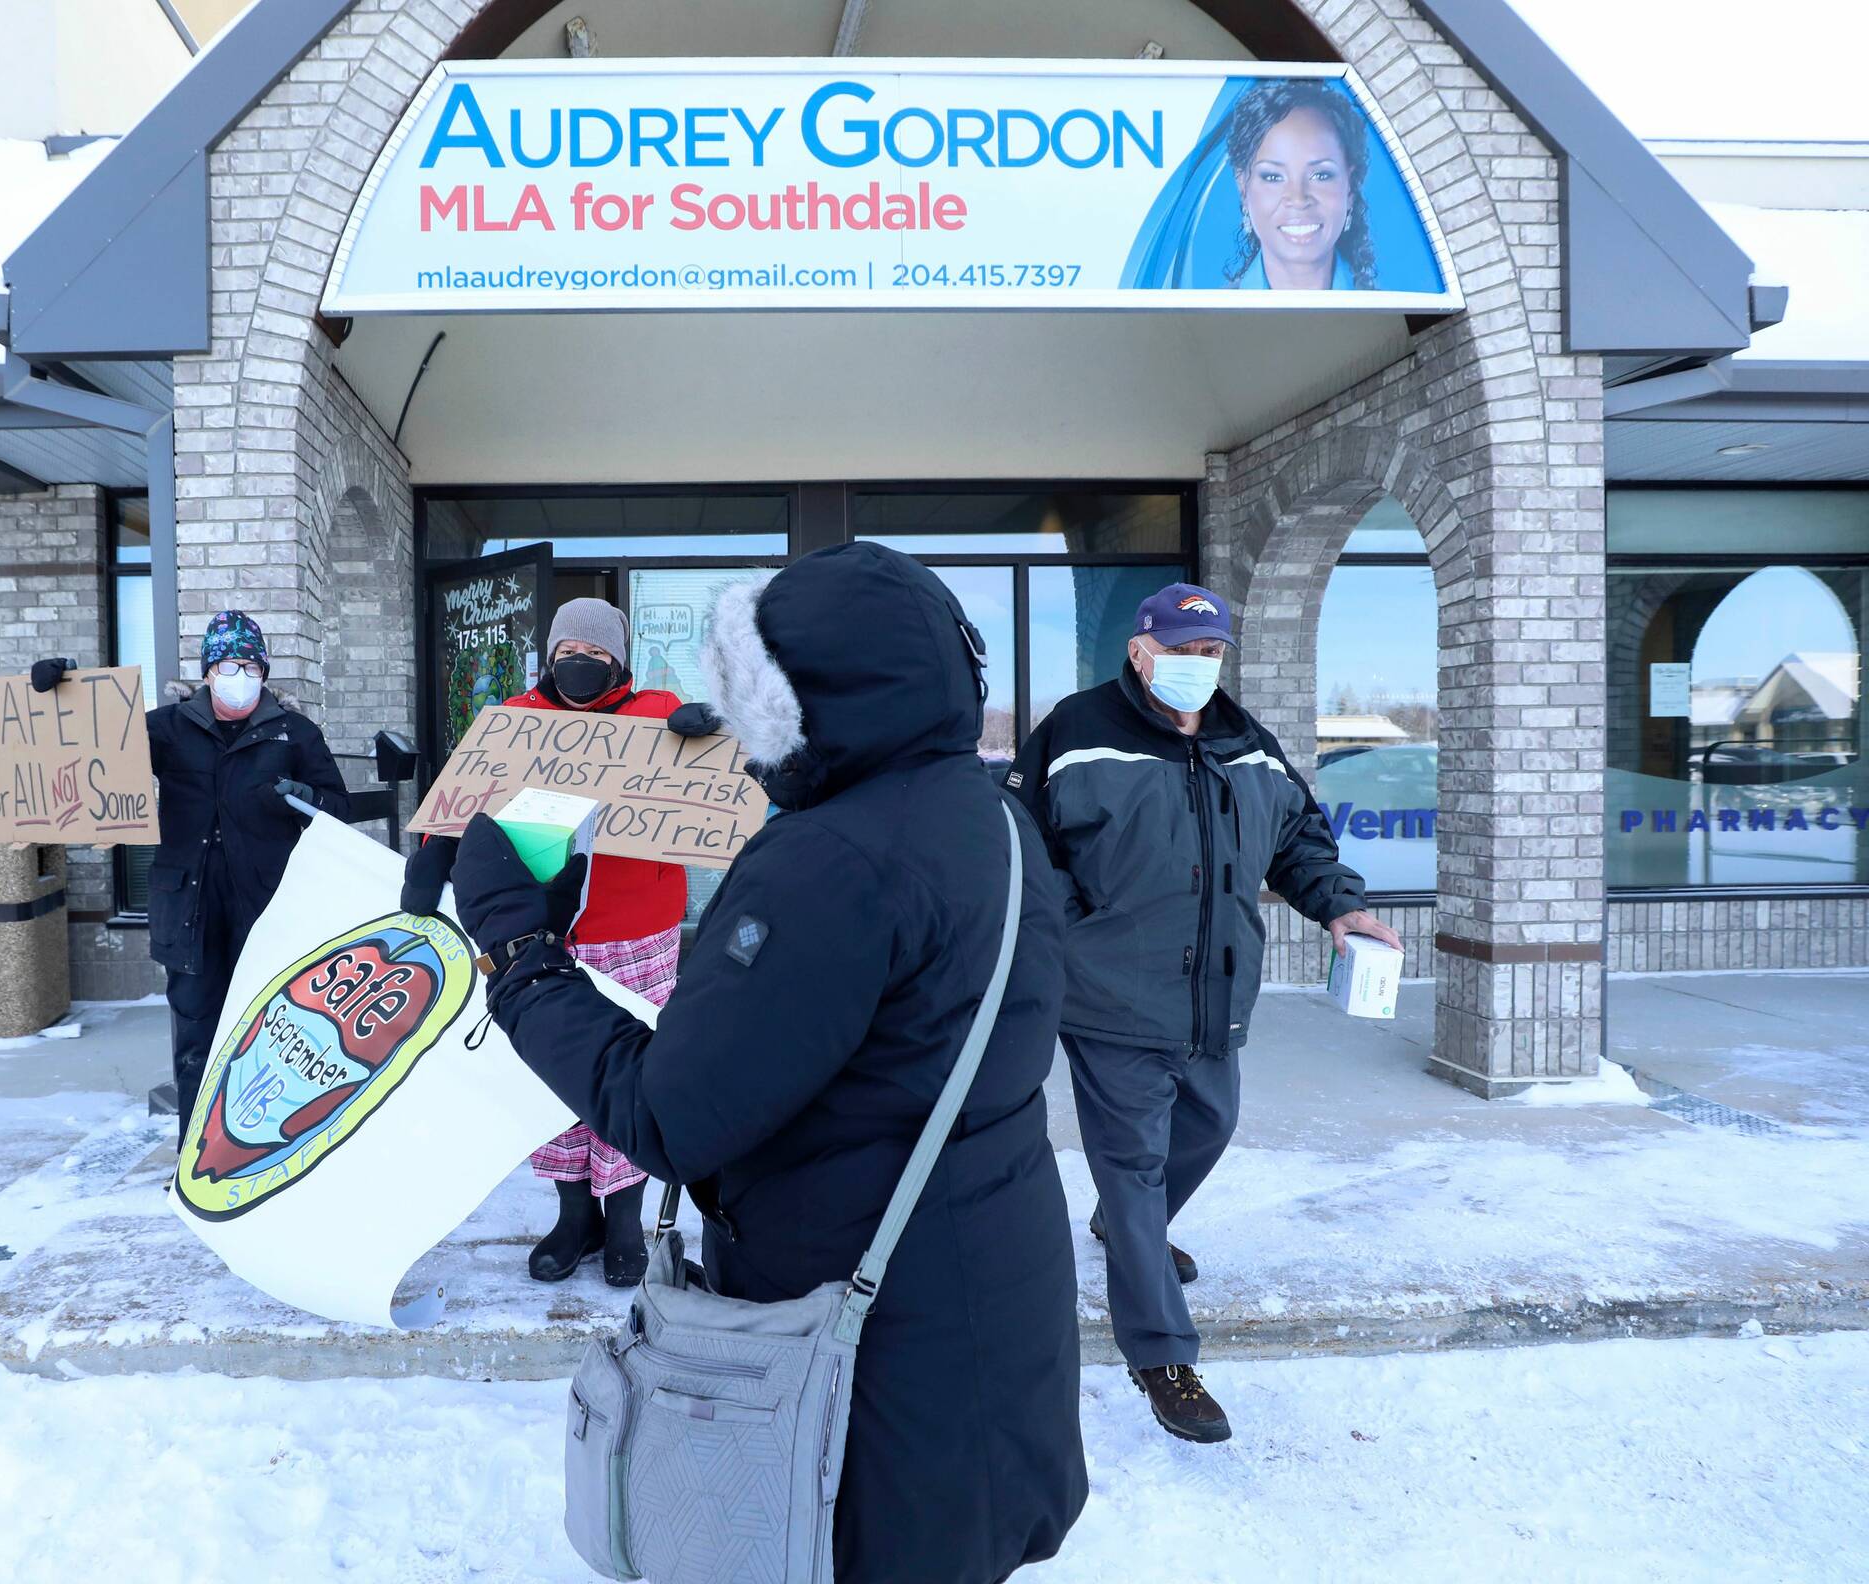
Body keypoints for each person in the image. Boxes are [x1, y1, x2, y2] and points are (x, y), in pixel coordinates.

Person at [435, 545, 1086, 1584]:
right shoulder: (990, 814)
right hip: (986, 1289)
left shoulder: (830, 859)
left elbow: (666, 1117)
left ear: (811, 700)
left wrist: (516, 952)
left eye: (755, 705)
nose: (741, 747)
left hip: (860, 1342)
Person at [1005, 583, 1401, 1443]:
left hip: (1215, 994)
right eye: (1181, 649)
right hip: (1108, 995)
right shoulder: (1075, 732)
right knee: (1134, 1163)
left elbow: (1299, 837)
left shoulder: (1244, 743)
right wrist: (1076, 920)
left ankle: (1122, 1225)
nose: (1197, 665)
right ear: (1140, 651)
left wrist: (1341, 906)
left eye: (1210, 650)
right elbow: (1021, 838)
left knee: (1210, 1126)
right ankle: (1163, 1358)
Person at [403, 597, 686, 1289]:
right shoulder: (516, 721)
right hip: (543, 931)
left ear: (617, 661)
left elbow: (707, 780)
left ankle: (625, 1219)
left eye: (593, 656)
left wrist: (700, 738)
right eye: (566, 654)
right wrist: (434, 853)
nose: (578, 665)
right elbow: (466, 803)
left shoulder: (658, 714)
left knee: (633, 1074)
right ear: (549, 658)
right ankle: (573, 1216)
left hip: (637, 928)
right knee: (559, 1075)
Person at [33, 612, 350, 1145]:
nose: (240, 675)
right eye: (229, 664)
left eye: (251, 665)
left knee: (272, 1034)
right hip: (190, 909)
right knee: (198, 1035)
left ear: (265, 671)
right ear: (207, 672)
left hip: (270, 909)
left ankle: (264, 1152)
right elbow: (87, 749)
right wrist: (60, 691)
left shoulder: (295, 733)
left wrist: (304, 794)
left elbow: (338, 807)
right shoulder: (166, 728)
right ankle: (197, 1153)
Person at [1224, 78, 1378, 291]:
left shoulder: (1387, 308)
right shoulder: (1205, 318)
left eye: (1321, 175)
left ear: (1350, 186)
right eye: (1273, 177)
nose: (1298, 198)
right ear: (1243, 187)